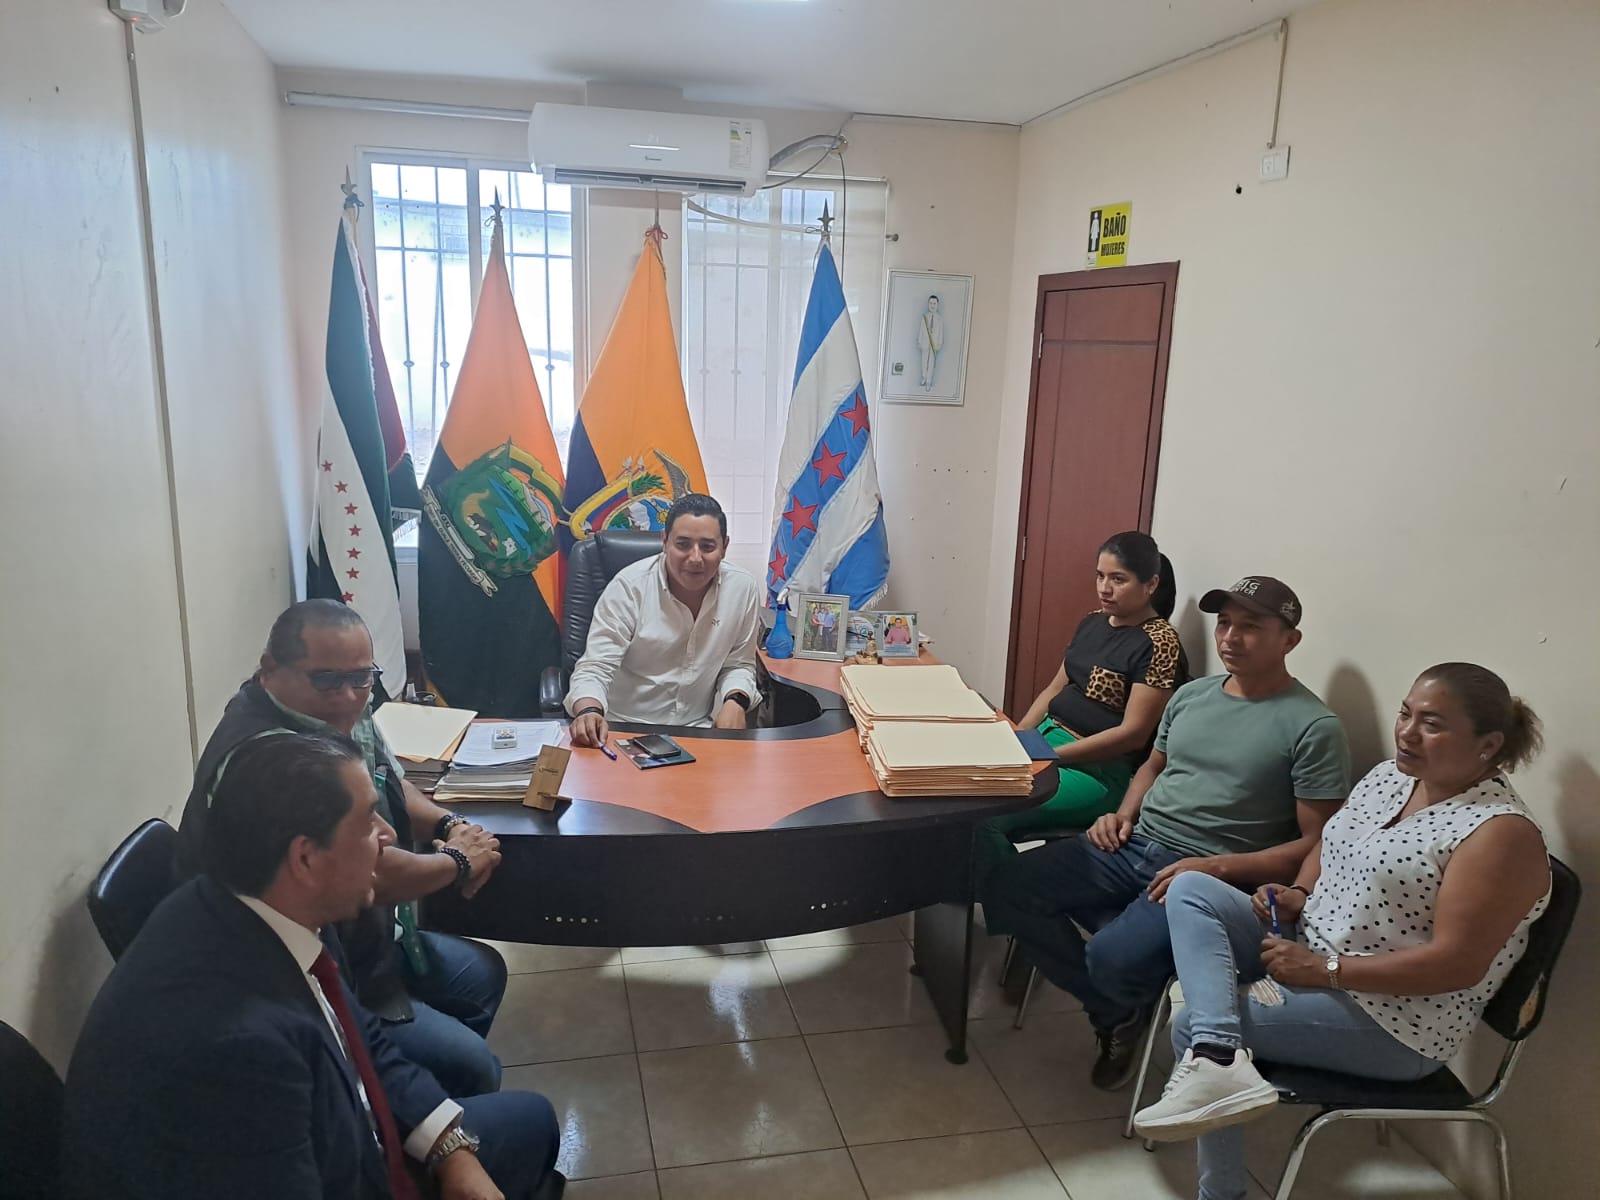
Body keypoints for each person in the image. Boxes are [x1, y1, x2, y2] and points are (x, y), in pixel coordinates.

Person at [64, 733, 564, 1200]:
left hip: (347, 1137)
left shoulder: (258, 905)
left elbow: (360, 1038)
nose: (388, 834)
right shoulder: (238, 1055)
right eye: (367, 822)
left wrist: (449, 1149)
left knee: (533, 1119)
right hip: (341, 1170)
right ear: (305, 859)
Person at [1134, 665, 1550, 1200]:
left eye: (1432, 724)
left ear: (1488, 744)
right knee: (1192, 887)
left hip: (1393, 1022)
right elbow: (1332, 840)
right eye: (1405, 714)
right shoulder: (1392, 776)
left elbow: (1457, 965)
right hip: (1311, 947)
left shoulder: (1497, 833)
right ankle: (1219, 1058)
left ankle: (1220, 1162)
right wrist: (1300, 892)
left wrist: (1325, 971)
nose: (1407, 732)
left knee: (1192, 1023)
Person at [982, 576, 1351, 1091]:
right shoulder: (1192, 696)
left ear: (1290, 640)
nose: (1230, 638)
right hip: (1133, 844)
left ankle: (1115, 1004)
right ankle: (1116, 1012)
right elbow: (1153, 767)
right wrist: (1121, 815)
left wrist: (1212, 867)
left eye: (1250, 627)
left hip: (1204, 876)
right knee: (1005, 882)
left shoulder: (1313, 727)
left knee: (1109, 956)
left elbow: (1316, 843)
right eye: (1224, 624)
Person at [177, 600, 507, 1099]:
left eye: (361, 678)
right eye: (327, 680)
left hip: (360, 938)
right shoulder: (276, 760)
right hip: (304, 972)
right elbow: (373, 874)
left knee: (482, 976)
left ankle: (406, 1102)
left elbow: (391, 783)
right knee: (474, 1065)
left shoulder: (336, 713)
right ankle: (388, 1111)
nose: (349, 697)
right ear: (270, 669)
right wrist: (459, 860)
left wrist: (450, 824)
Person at [976, 531, 1188, 875]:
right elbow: (1054, 688)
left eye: (1118, 579)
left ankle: (1012, 898)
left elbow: (1133, 734)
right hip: (1046, 742)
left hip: (1096, 769)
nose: (1105, 588)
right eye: (1100, 576)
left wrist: (1049, 756)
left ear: (1150, 584)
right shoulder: (1093, 621)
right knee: (959, 792)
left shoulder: (1160, 642)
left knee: (983, 817)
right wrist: (1016, 736)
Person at [566, 493, 761, 748]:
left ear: (724, 546)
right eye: (683, 544)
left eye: (707, 547)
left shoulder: (742, 589)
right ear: (665, 541)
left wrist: (736, 701)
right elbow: (596, 666)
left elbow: (739, 664)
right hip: (622, 728)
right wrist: (588, 711)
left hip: (696, 730)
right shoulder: (629, 587)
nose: (695, 558)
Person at [916, 294, 945, 390]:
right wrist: (919, 341)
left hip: (934, 344)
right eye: (931, 303)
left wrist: (940, 343)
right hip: (925, 342)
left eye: (934, 303)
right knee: (924, 361)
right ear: (928, 304)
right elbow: (921, 329)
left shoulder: (940, 319)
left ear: (937, 305)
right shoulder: (924, 317)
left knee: (931, 363)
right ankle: (924, 376)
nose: (932, 305)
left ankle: (928, 381)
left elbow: (941, 332)